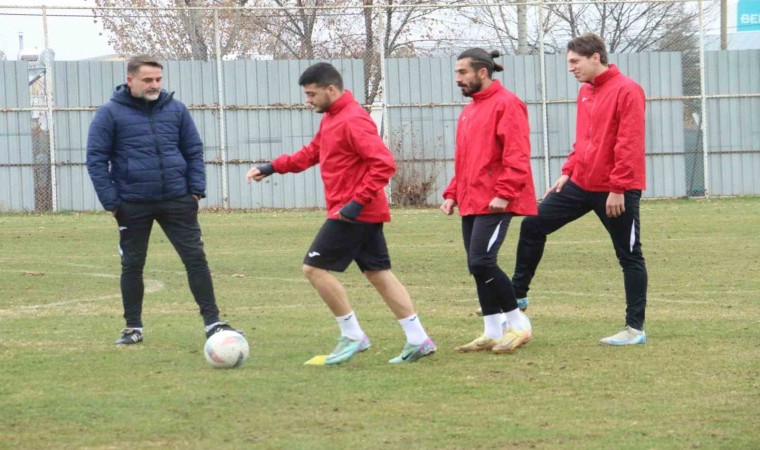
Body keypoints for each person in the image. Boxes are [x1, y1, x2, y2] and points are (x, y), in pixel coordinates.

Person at [246, 62, 436, 365]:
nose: (308, 100)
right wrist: (273, 167)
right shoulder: (333, 118)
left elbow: (384, 163)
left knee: (314, 269)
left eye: (311, 94)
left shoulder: (353, 120)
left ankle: (353, 335)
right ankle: (418, 339)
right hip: (358, 212)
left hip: (352, 214)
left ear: (330, 89)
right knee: (378, 274)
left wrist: (356, 203)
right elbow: (312, 153)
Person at [87, 55, 240, 345]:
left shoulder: (176, 110)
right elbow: (96, 160)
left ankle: (213, 323)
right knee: (133, 265)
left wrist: (195, 192)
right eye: (147, 80)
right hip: (132, 204)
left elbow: (193, 150)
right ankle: (133, 328)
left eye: (158, 79)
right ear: (130, 79)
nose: (154, 85)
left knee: (196, 260)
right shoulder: (109, 113)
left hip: (177, 200)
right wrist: (112, 203)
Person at [511, 33, 649, 345]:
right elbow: (584, 139)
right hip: (580, 183)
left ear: (595, 57)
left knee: (629, 256)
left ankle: (634, 330)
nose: (571, 68)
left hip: (615, 190)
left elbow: (629, 143)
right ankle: (517, 296)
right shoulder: (586, 91)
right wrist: (568, 172)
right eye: (569, 63)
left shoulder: (627, 90)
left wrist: (618, 188)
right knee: (532, 223)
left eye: (575, 62)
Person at [441, 48, 537, 355]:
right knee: (477, 266)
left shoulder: (508, 104)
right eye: (457, 73)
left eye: (462, 73)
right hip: (472, 199)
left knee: (482, 261)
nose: (458, 79)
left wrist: (505, 192)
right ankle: (492, 331)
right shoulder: (470, 110)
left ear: (482, 73)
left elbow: (517, 154)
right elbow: (466, 160)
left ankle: (518, 325)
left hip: (497, 200)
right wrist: (453, 193)